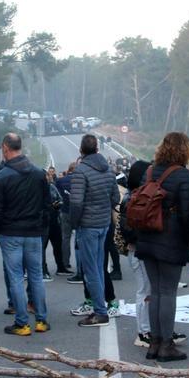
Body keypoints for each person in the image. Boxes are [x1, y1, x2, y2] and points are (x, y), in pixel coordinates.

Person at [134, 132, 189, 362]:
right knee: (169, 292)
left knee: (155, 291)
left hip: (147, 237)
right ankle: (167, 345)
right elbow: (188, 214)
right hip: (171, 239)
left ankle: (155, 342)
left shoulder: (149, 172)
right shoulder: (183, 176)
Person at [0, 133, 51, 336]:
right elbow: (46, 204)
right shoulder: (38, 173)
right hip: (34, 232)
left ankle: (22, 322)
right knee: (36, 276)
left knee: (16, 276)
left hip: (11, 232)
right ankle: (41, 320)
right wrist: (41, 227)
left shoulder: (0, 177)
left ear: (5, 148)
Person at [70, 134, 119, 327]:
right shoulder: (109, 170)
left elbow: (76, 202)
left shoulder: (81, 171)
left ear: (81, 150)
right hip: (103, 224)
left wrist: (75, 224)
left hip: (87, 225)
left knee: (90, 270)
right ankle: (102, 307)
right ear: (97, 149)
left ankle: (100, 311)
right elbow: (115, 197)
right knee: (98, 267)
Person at [120, 160, 154, 347]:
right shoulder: (132, 198)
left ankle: (147, 329)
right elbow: (129, 229)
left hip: (140, 249)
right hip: (138, 250)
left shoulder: (132, 196)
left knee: (147, 291)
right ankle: (143, 332)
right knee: (144, 291)